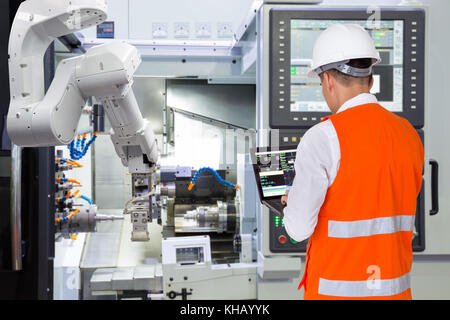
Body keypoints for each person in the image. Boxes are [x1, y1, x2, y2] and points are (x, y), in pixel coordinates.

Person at [281, 24, 424, 300]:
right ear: (370, 81)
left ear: (328, 81)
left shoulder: (322, 138)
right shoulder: (409, 134)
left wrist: (293, 202)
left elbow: (297, 230)